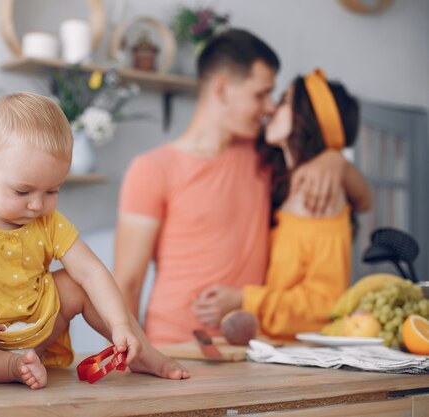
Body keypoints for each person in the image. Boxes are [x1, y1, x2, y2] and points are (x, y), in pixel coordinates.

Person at [115, 29, 370, 346]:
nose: (269, 108)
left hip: (251, 349)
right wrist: (127, 358)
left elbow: (362, 197)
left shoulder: (264, 155)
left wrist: (335, 159)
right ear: (222, 90)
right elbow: (127, 283)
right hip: (175, 345)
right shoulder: (152, 169)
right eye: (261, 94)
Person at [0, 92, 189, 389]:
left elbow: (92, 272)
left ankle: (139, 351)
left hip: (38, 330)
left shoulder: (48, 222)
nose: (38, 205)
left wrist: (120, 326)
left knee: (78, 283)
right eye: (23, 192)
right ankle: (11, 366)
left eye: (52, 191)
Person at [207, 69, 371, 337]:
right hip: (266, 349)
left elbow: (323, 305)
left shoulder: (319, 196)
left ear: (309, 119)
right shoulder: (284, 181)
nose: (271, 108)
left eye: (283, 101)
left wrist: (244, 299)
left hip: (296, 360)